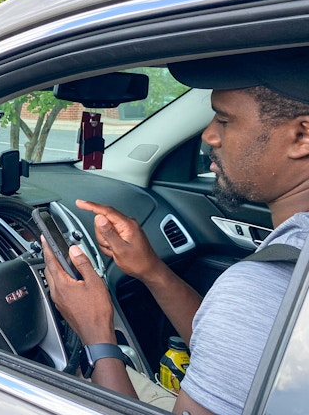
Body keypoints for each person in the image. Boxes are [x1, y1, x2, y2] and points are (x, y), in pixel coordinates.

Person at [42, 48, 309, 415]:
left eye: (225, 120)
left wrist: (96, 333)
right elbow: (241, 351)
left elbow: (248, 317)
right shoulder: (285, 274)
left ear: (302, 136)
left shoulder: (262, 286)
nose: (209, 136)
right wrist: (152, 271)